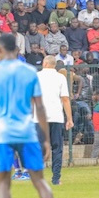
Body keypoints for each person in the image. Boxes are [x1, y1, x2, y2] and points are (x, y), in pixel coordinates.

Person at [0, 33, 62, 198]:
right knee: (39, 180)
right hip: (27, 132)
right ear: (17, 50)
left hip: (1, 134)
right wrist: (46, 140)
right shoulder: (30, 72)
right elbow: (39, 108)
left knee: (3, 185)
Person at [36, 55, 73, 185]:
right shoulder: (60, 77)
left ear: (45, 64)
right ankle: (56, 178)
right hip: (56, 117)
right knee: (57, 148)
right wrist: (69, 119)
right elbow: (65, 99)